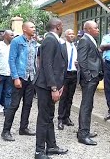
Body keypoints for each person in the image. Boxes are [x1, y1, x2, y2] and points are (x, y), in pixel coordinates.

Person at [33, 18, 68, 159]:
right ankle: (39, 151)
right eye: (62, 26)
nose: (63, 29)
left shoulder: (52, 40)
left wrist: (59, 86)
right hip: (45, 87)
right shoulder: (50, 40)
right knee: (43, 118)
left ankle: (51, 146)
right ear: (58, 26)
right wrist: (54, 88)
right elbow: (46, 65)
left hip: (49, 86)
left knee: (49, 116)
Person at [1, 22, 38, 141]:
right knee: (14, 105)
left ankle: (23, 128)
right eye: (31, 27)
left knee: (28, 104)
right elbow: (11, 60)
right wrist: (15, 77)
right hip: (20, 78)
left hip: (31, 78)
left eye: (34, 27)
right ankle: (5, 131)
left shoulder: (34, 42)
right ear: (24, 29)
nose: (34, 29)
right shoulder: (17, 42)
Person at [77, 20, 104, 145]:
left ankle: (84, 130)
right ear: (88, 29)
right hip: (89, 79)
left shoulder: (91, 39)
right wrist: (88, 77)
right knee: (86, 106)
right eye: (96, 28)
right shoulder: (84, 40)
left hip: (93, 77)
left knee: (88, 105)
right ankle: (83, 134)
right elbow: (82, 61)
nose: (98, 30)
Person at [57, 29, 78, 130]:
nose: (72, 36)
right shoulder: (61, 47)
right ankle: (60, 118)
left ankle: (67, 117)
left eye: (73, 34)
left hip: (74, 74)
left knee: (70, 97)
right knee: (63, 97)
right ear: (65, 36)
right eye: (69, 34)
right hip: (65, 74)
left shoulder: (76, 47)